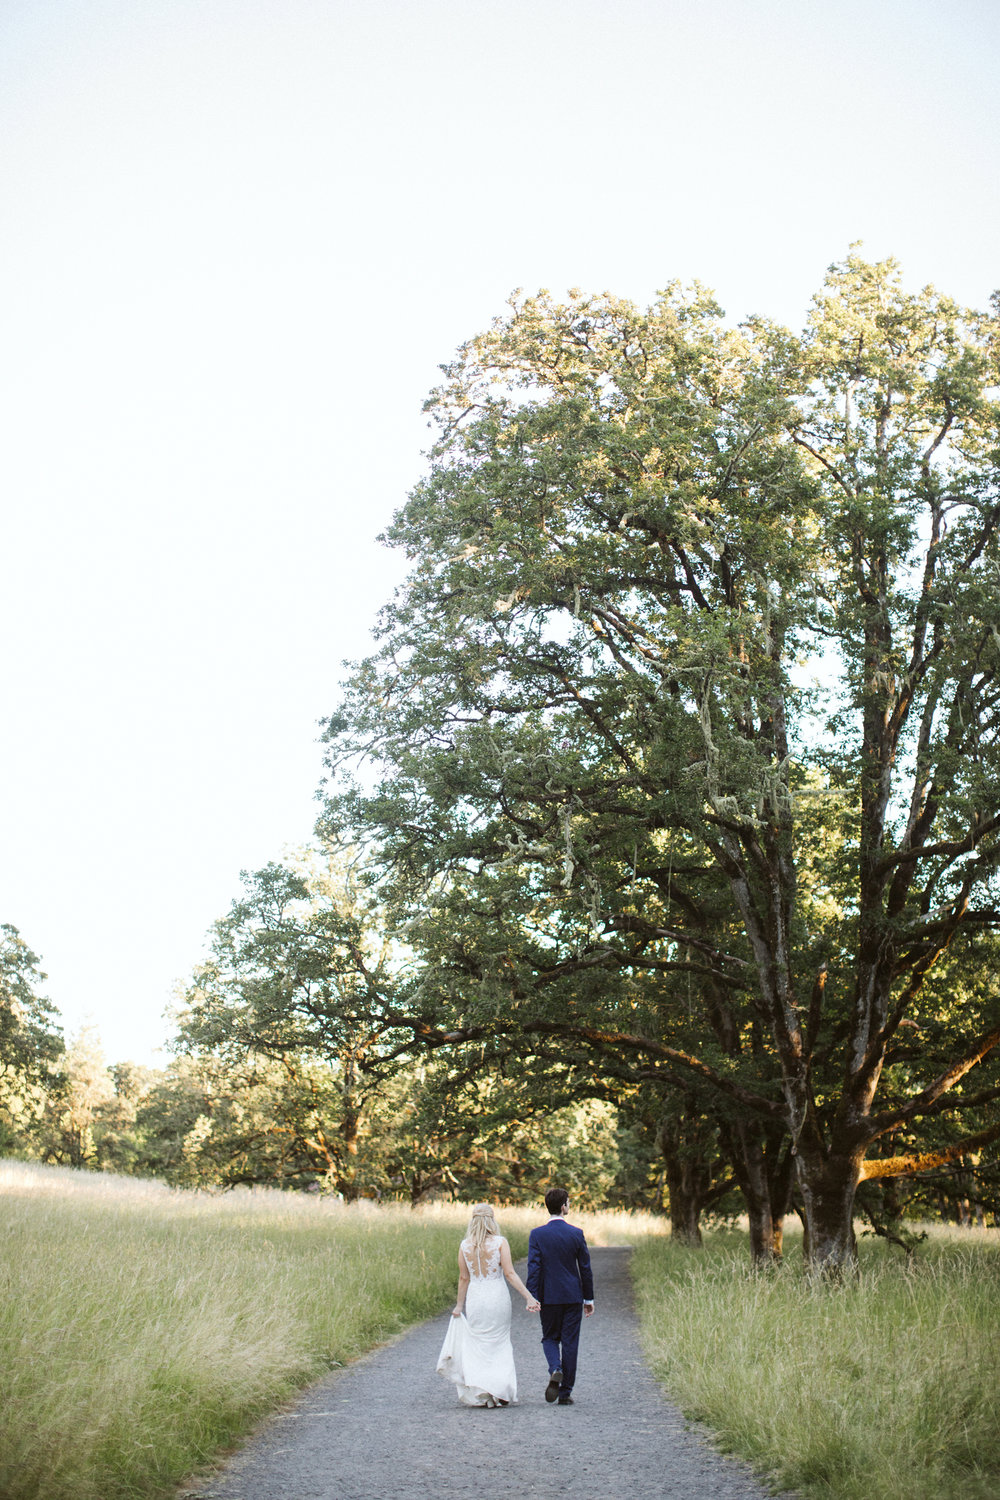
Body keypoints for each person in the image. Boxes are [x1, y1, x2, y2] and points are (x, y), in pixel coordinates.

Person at [436, 1203, 540, 1408]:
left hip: (476, 1298)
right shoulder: (500, 1242)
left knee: (479, 1343)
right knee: (499, 1341)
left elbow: (464, 1278)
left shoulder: (465, 1245)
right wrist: (528, 1296)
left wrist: (459, 1305)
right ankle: (500, 1390)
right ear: (492, 1220)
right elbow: (509, 1273)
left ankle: (483, 1389)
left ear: (473, 1221)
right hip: (496, 1296)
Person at [526, 1187, 594, 1406]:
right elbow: (585, 1268)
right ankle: (565, 1393)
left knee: (549, 1338)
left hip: (548, 1296)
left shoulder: (537, 1234)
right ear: (564, 1206)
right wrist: (589, 1298)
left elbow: (533, 1267)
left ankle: (555, 1367)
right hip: (573, 1296)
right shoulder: (576, 1233)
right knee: (570, 1342)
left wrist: (532, 1296)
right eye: (569, 1202)